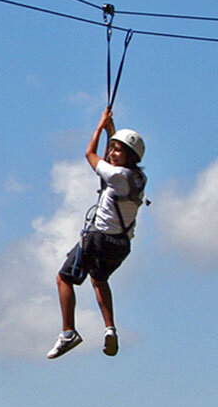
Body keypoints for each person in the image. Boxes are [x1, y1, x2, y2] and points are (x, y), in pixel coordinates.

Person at [49, 107, 146, 360]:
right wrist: (111, 131)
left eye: (117, 150)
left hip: (98, 238)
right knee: (99, 280)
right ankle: (110, 328)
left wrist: (100, 126)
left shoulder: (115, 174)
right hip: (121, 245)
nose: (112, 154)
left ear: (129, 156)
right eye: (112, 149)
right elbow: (111, 161)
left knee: (64, 278)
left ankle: (68, 333)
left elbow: (90, 155)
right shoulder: (137, 178)